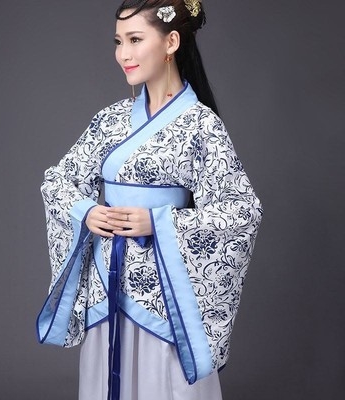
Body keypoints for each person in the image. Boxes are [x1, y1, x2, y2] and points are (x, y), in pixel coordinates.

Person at [36, 1, 263, 399]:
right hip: (108, 283)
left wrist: (158, 223)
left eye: (135, 39)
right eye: (118, 41)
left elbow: (241, 211)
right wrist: (86, 211)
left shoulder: (201, 125)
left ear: (171, 41)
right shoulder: (110, 120)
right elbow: (59, 181)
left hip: (166, 293)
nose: (123, 53)